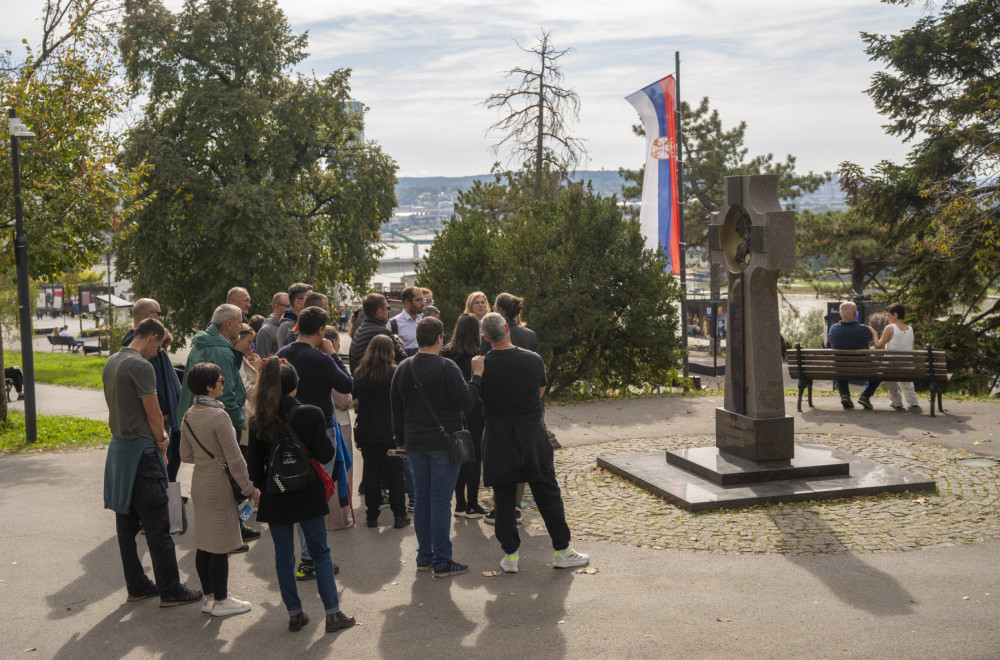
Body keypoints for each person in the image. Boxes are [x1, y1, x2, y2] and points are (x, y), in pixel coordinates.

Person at [246, 358, 355, 633]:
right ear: (295, 386)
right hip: (307, 491)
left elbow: (254, 468)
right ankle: (332, 613)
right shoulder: (311, 412)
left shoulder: (258, 419)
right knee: (320, 552)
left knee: (283, 557)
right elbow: (325, 454)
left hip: (276, 493)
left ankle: (295, 614)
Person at [102, 318, 202, 607]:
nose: (158, 352)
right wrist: (162, 441)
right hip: (143, 452)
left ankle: (137, 585)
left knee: (126, 525)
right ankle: (171, 589)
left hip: (119, 451)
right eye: (159, 345)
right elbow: (154, 413)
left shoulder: (112, 361)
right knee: (158, 525)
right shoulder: (141, 366)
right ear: (152, 338)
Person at [478, 312, 590, 573]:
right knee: (547, 492)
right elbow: (539, 392)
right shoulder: (532, 359)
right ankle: (562, 549)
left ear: (485, 336)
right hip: (530, 432)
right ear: (507, 328)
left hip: (497, 435)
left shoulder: (482, 366)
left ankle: (511, 556)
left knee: (504, 497)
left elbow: (480, 397)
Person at [390, 317, 484, 577]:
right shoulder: (447, 367)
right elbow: (466, 403)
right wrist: (477, 376)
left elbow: (396, 411)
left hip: (415, 444)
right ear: (440, 338)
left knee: (422, 499)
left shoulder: (403, 368)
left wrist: (401, 442)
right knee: (441, 502)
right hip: (443, 445)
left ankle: (425, 556)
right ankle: (442, 560)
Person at [277, 306, 354, 580]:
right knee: (319, 492)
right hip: (321, 429)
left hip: (288, 430)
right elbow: (346, 384)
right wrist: (333, 353)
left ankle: (309, 554)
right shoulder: (320, 358)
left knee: (301, 493)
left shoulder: (281, 355)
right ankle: (312, 557)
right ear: (321, 331)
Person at [180, 362, 259, 617]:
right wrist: (249, 488)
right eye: (220, 378)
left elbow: (185, 454)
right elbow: (235, 458)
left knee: (204, 542)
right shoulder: (219, 417)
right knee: (221, 545)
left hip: (200, 482)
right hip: (219, 486)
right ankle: (223, 599)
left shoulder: (189, 414)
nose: (223, 381)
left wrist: (207, 459)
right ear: (209, 386)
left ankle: (209, 597)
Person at [176, 304, 257, 542]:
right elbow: (228, 392)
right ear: (229, 324)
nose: (242, 326)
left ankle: (223, 532)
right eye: (240, 321)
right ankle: (230, 533)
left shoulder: (203, 343)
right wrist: (240, 422)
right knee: (229, 477)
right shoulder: (220, 350)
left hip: (197, 417)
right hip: (218, 419)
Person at [122, 298, 184, 483]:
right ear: (149, 315)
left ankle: (166, 492)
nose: (161, 317)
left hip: (165, 418)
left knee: (166, 466)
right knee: (161, 467)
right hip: (158, 420)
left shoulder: (145, 342)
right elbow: (149, 387)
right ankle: (164, 495)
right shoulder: (137, 344)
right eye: (159, 313)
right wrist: (162, 418)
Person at [354, 335, 408, 528]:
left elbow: (356, 399)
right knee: (396, 474)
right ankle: (399, 514)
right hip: (393, 434)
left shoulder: (360, 373)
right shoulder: (395, 372)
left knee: (371, 473)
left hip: (367, 432)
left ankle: (372, 515)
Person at [441, 313, 487, 519]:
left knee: (458, 457)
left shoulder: (445, 353)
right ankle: (472, 505)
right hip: (475, 412)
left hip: (452, 413)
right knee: (474, 458)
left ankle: (459, 503)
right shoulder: (479, 355)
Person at [326, 325, 356, 532]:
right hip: (340, 422)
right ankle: (339, 518)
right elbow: (343, 400)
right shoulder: (331, 365)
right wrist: (355, 401)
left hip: (326, 420)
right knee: (342, 471)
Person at [828, 301, 880, 409]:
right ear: (855, 314)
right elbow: (870, 341)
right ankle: (865, 396)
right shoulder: (864, 329)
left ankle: (845, 395)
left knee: (840, 364)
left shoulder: (833, 329)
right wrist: (873, 333)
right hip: (862, 367)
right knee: (879, 368)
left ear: (840, 314)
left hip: (841, 367)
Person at [874, 302, 921, 411]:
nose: (886, 317)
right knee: (906, 381)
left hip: (891, 368)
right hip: (907, 367)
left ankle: (896, 401)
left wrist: (874, 333)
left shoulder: (890, 328)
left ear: (895, 315)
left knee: (888, 375)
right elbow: (912, 350)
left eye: (888, 314)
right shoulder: (910, 329)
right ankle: (913, 401)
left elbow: (878, 346)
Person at [350, 293, 407, 373]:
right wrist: (399, 342)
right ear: (379, 312)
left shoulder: (359, 330)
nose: (389, 311)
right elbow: (402, 359)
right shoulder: (383, 332)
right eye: (388, 308)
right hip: (375, 382)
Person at [387, 285, 426, 356]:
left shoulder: (424, 320)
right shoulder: (393, 324)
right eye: (419, 300)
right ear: (407, 302)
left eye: (423, 299)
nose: (423, 303)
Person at [277, 282, 313, 349]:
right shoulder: (286, 327)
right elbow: (284, 356)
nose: (314, 302)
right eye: (309, 299)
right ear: (298, 302)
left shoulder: (309, 322)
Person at [256, 292, 290, 358]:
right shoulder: (266, 330)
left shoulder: (288, 326)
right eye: (288, 306)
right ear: (276, 306)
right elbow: (261, 359)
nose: (291, 310)